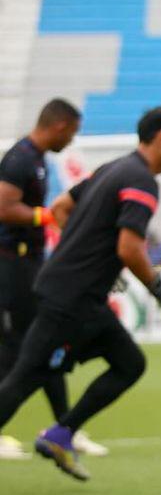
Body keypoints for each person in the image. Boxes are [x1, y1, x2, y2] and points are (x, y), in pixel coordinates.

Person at [0, 107, 161, 480]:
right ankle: (62, 432)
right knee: (25, 377)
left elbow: (61, 208)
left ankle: (61, 433)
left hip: (77, 296)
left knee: (127, 362)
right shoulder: (142, 182)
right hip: (70, 300)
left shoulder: (113, 168)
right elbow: (129, 249)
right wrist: (157, 286)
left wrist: (86, 255)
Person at [0, 100, 87, 460]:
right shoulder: (20, 158)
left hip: (26, 265)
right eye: (72, 133)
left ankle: (64, 428)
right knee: (17, 348)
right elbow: (3, 207)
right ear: (59, 125)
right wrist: (45, 217)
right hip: (10, 265)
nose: (71, 140)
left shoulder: (34, 159)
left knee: (43, 344)